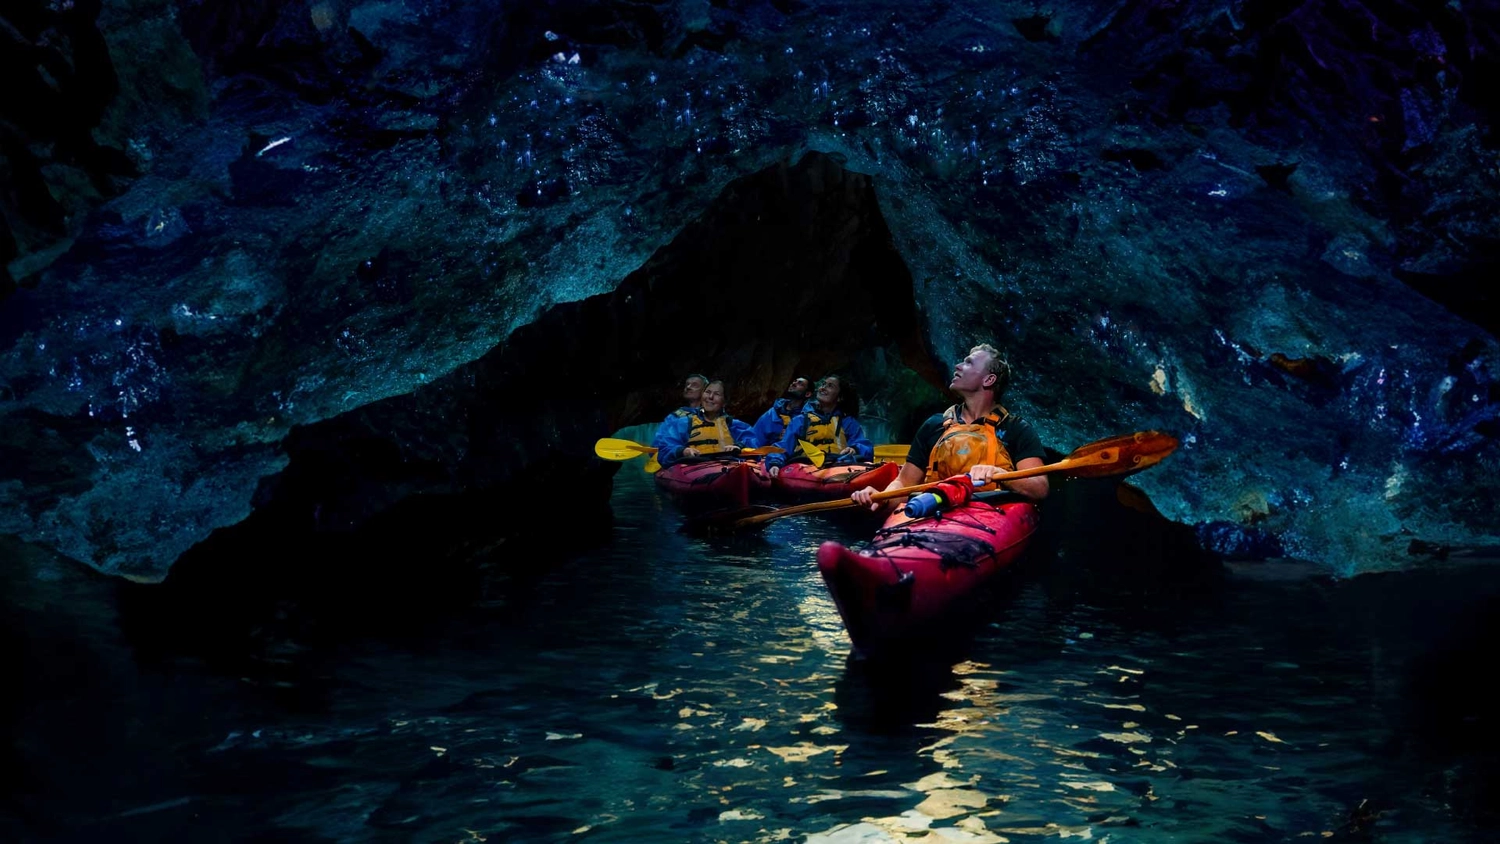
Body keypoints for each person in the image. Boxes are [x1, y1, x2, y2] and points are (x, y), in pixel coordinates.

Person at [851, 344, 1048, 511]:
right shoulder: (934, 425)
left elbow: (1039, 488)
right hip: (932, 510)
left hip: (989, 514)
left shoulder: (1016, 429)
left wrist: (1001, 475)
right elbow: (904, 484)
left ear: (989, 380)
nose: (958, 365)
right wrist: (882, 497)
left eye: (969, 362)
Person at [764, 374, 873, 476]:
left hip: (838, 465)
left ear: (839, 397)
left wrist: (855, 449)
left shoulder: (848, 422)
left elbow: (863, 445)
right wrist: (775, 462)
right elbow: (784, 445)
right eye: (823, 384)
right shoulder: (801, 420)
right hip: (805, 467)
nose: (822, 388)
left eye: (830, 386)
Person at [653, 380, 761, 468]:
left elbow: (753, 443)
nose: (710, 397)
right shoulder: (684, 423)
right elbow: (665, 448)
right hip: (695, 467)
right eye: (708, 392)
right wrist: (683, 450)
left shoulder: (735, 425)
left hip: (729, 465)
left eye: (717, 394)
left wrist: (739, 446)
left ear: (724, 402)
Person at [651, 373, 709, 455]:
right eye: (687, 385)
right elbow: (658, 444)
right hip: (681, 462)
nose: (688, 387)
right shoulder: (675, 416)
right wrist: (681, 451)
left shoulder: (715, 415)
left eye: (694, 385)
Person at [752, 376, 814, 446]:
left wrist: (789, 438)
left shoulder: (806, 418)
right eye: (794, 381)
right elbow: (755, 436)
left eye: (800, 384)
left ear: (807, 394)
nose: (794, 384)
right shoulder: (773, 412)